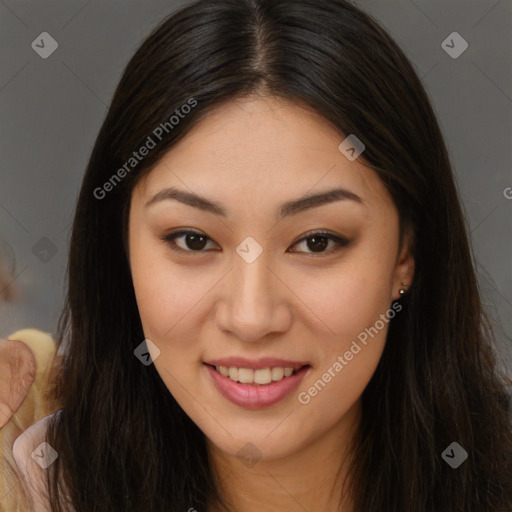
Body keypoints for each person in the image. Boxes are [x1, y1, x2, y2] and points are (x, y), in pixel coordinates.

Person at [11, 0, 512, 510]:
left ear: (405, 254)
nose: (251, 318)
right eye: (193, 239)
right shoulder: (34, 489)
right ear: (121, 249)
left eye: (317, 241)